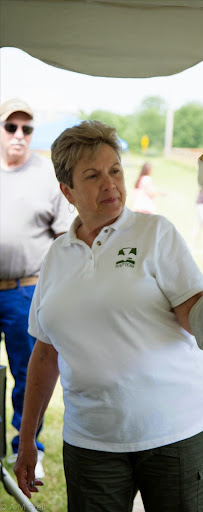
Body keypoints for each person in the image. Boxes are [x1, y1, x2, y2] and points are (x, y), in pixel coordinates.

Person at [14, 121, 203, 511]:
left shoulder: (155, 233)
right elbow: (45, 354)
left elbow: (194, 318)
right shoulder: (55, 257)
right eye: (93, 176)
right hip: (91, 444)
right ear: (67, 191)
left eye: (115, 170)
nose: (110, 184)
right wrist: (28, 438)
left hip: (176, 435)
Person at [0, 98, 72, 478]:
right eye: (10, 127)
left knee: (29, 372)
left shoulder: (47, 176)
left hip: (25, 290)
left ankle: (28, 448)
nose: (18, 135)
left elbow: (66, 236)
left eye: (26, 129)